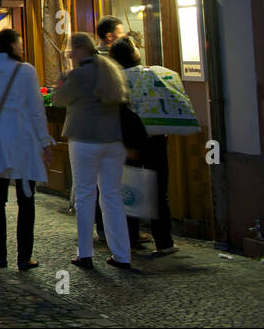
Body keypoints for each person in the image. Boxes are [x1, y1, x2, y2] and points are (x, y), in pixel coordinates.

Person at [52, 32, 133, 271]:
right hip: (113, 141)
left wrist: (61, 81)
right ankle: (122, 255)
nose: (69, 54)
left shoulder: (78, 75)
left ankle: (85, 254)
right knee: (112, 197)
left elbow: (58, 99)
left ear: (79, 50)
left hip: (85, 140)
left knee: (86, 196)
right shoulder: (110, 70)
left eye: (70, 49)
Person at [0, 29, 52, 270]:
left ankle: (0, 255)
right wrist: (45, 141)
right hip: (23, 139)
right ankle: (24, 256)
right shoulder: (26, 71)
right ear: (13, 45)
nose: (22, 48)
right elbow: (36, 109)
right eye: (20, 43)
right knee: (26, 198)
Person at [109, 36, 177, 256]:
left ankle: (130, 241)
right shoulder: (149, 74)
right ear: (131, 53)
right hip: (155, 138)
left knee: (129, 191)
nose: (139, 49)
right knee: (159, 191)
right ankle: (164, 242)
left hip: (128, 143)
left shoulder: (115, 80)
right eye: (135, 47)